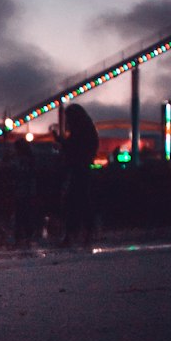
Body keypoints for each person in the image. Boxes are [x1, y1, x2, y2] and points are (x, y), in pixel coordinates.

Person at [58, 103, 99, 245]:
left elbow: (73, 148)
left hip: (78, 170)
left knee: (75, 201)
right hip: (83, 169)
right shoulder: (88, 130)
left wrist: (62, 143)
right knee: (81, 201)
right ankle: (84, 233)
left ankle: (72, 235)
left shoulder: (79, 132)